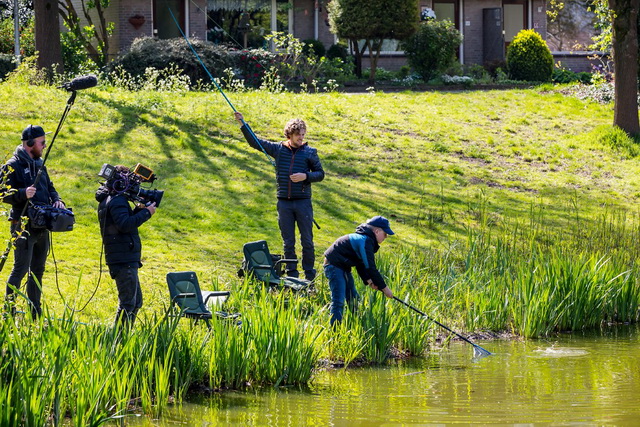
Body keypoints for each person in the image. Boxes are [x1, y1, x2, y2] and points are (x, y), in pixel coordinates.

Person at [234, 111, 325, 281]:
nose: (301, 137)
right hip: (284, 203)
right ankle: (292, 275)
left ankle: (309, 276)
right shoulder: (278, 149)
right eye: (298, 134)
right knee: (288, 242)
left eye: (303, 134)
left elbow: (320, 174)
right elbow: (255, 142)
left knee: (307, 241)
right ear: (290, 134)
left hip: (303, 203)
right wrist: (242, 123)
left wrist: (306, 176)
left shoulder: (310, 152)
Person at [2, 125, 66, 318]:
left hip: (42, 224)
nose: (44, 146)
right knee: (20, 269)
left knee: (38, 270)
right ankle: (9, 313)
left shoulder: (40, 164)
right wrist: (23, 193)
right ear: (30, 143)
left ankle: (34, 313)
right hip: (22, 225)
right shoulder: (12, 165)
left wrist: (57, 200)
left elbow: (51, 187)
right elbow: (2, 193)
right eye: (42, 142)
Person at [96, 165, 156, 326]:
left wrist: (138, 211)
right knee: (128, 304)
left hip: (124, 256)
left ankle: (122, 338)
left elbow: (121, 222)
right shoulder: (117, 200)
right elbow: (124, 224)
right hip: (123, 259)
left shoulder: (111, 199)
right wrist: (146, 213)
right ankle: (118, 340)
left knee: (136, 302)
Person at [323, 216, 395, 325]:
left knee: (353, 298)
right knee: (339, 301)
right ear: (377, 231)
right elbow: (371, 267)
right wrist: (385, 289)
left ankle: (359, 324)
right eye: (385, 234)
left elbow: (361, 263)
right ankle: (334, 333)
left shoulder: (365, 239)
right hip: (333, 266)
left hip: (342, 267)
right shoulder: (365, 241)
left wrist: (369, 280)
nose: (386, 237)